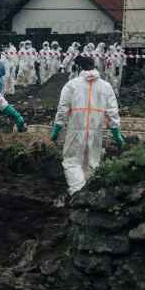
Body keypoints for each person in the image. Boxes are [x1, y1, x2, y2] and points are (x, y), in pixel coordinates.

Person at [51, 56, 121, 200]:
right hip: (95, 132)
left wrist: (56, 130)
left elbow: (63, 109)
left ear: (80, 69)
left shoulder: (72, 85)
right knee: (92, 163)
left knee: (72, 161)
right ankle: (90, 196)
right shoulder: (105, 86)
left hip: (75, 131)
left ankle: (78, 192)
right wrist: (116, 133)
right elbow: (112, 111)